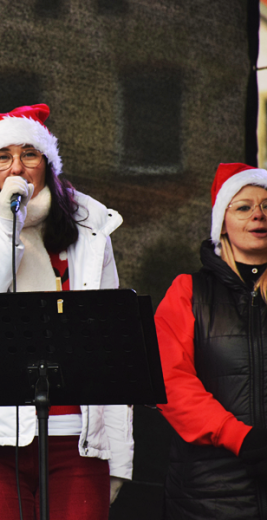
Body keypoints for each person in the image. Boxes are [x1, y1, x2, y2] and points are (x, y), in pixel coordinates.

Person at [0, 104, 133, 519]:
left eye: (29, 154)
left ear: (47, 163)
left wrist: (118, 453)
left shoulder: (90, 223)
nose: (17, 166)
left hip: (74, 437)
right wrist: (7, 222)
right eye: (2, 157)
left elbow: (109, 341)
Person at [155, 162, 267, 519]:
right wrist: (238, 436)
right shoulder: (188, 291)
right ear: (222, 222)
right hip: (207, 496)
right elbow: (169, 380)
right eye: (244, 207)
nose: (259, 216)